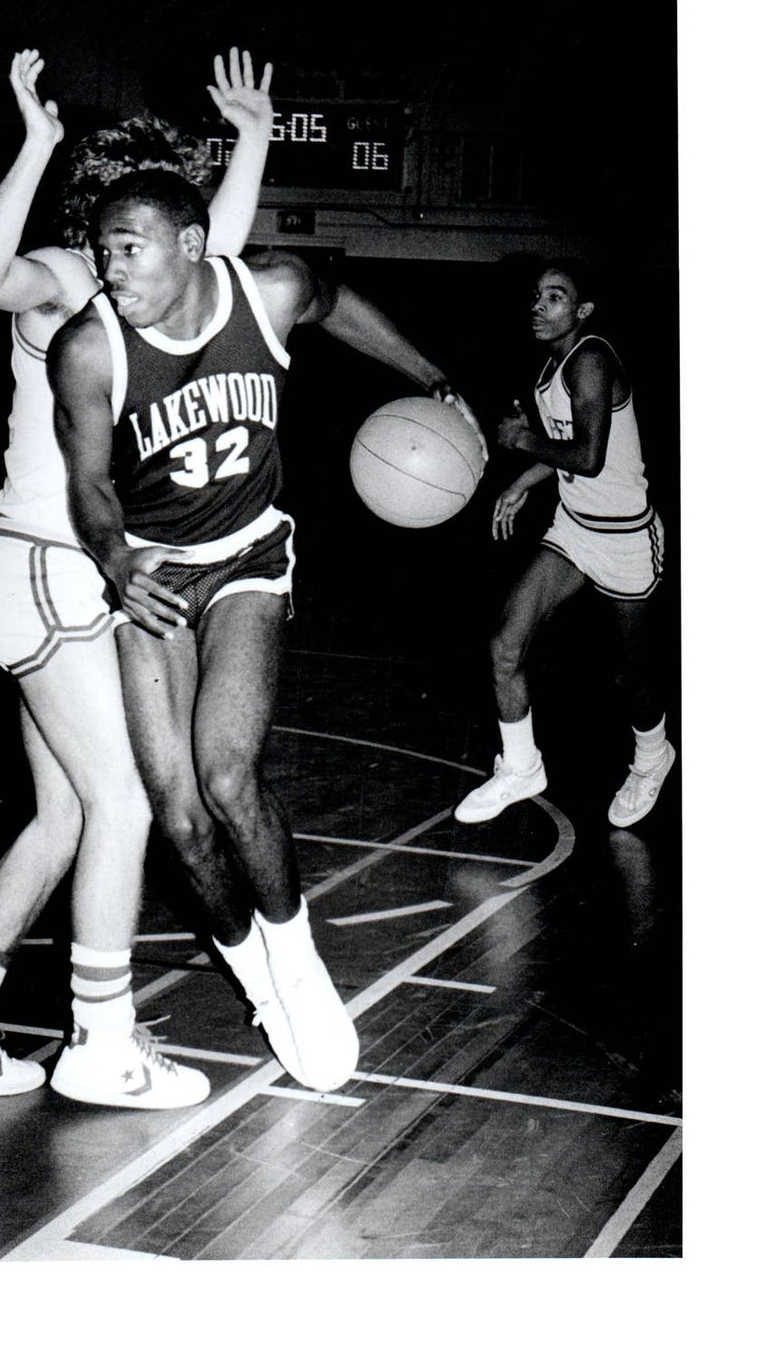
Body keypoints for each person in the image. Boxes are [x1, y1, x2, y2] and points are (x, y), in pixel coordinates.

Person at [49, 169, 485, 1092]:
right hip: (152, 569)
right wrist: (114, 560)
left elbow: (337, 304)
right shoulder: (89, 348)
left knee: (224, 771)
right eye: (100, 248)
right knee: (176, 811)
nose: (107, 265)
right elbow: (88, 484)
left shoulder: (272, 291)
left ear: (191, 244)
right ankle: (255, 977)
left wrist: (431, 378)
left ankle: (299, 965)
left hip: (248, 555)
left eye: (127, 246)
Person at [0, 48, 275, 1110]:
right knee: (123, 800)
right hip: (45, 566)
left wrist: (252, 140)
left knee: (64, 813)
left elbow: (223, 248)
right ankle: (102, 1040)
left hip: (39, 574)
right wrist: (30, 143)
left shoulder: (147, 278)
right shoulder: (71, 278)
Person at [453, 260, 675, 828]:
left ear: (582, 312)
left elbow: (589, 457)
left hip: (625, 539)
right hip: (575, 530)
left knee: (630, 676)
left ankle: (653, 757)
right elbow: (565, 450)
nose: (539, 306)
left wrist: (521, 440)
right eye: (536, 296)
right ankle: (522, 766)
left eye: (555, 298)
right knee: (506, 644)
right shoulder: (552, 368)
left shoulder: (592, 361)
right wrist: (522, 483)